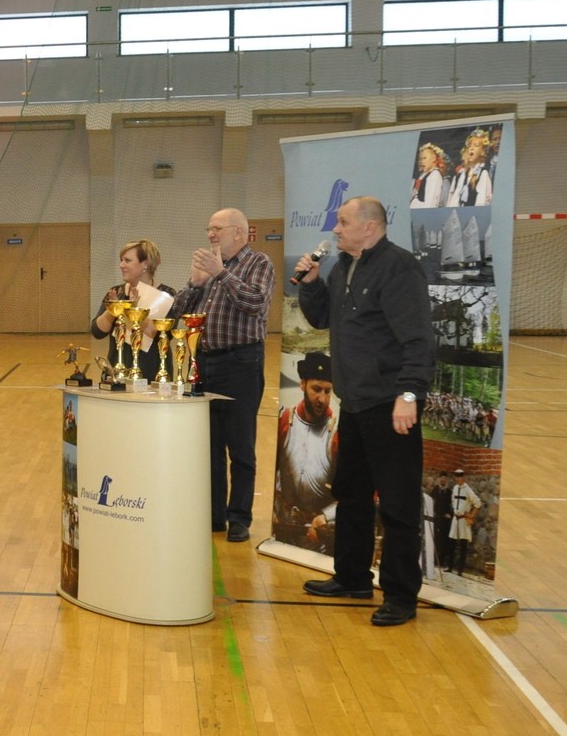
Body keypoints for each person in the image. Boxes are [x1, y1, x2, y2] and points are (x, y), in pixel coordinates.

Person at [293, 195, 435, 626]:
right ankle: (352, 577)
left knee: (397, 504)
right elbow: (322, 318)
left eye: (343, 221)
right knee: (351, 494)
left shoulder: (399, 267)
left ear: (369, 227)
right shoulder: (342, 267)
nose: (335, 229)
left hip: (391, 405)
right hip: (354, 405)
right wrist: (311, 284)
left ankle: (400, 596)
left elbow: (418, 338)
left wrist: (408, 394)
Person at [172, 208, 275, 541]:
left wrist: (221, 274)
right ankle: (214, 516)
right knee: (210, 446)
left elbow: (255, 303)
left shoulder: (258, 263)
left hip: (240, 363)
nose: (211, 234)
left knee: (240, 446)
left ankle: (239, 518)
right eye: (209, 228)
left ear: (239, 232)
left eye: (217, 228)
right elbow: (176, 313)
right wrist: (195, 283)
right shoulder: (210, 269)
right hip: (205, 362)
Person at [272, 352, 337, 552]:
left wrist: (325, 517)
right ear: (302, 384)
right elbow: (270, 469)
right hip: (282, 527)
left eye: (327, 391)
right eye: (316, 389)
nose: (322, 399)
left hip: (320, 535)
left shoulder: (338, 433)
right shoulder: (284, 420)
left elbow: (354, 489)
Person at [90, 238, 174, 383]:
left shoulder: (166, 295)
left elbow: (161, 334)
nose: (121, 265)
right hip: (118, 369)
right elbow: (97, 332)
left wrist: (133, 311)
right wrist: (114, 309)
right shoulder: (117, 292)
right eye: (121, 260)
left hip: (152, 371)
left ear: (145, 264)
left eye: (127, 260)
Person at [445, 130, 494, 207]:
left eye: (476, 146)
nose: (471, 148)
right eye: (470, 146)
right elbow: (455, 199)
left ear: (483, 152)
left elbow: (481, 200)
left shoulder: (482, 174)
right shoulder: (463, 175)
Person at [447, 468, 481, 575]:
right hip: (455, 519)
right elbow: (453, 501)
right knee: (451, 543)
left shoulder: (468, 490)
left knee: (463, 545)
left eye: (459, 476)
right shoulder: (455, 488)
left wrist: (471, 515)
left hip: (463, 519)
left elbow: (478, 503)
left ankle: (460, 570)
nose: (458, 479)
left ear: (463, 477)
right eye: (456, 477)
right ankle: (450, 567)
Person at [410, 143, 448, 209]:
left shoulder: (434, 175)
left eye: (424, 158)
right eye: (420, 159)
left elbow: (431, 202)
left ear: (433, 158)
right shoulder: (425, 175)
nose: (422, 161)